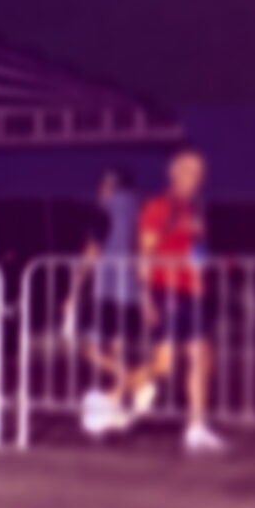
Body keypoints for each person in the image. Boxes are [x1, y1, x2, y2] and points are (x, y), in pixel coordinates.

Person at [139, 145, 227, 454]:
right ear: (174, 172)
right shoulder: (159, 206)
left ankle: (196, 427)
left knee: (203, 357)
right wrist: (146, 298)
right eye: (190, 170)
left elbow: (195, 252)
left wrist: (204, 270)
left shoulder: (193, 210)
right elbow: (145, 254)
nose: (197, 177)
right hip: (168, 290)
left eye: (200, 172)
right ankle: (112, 397)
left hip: (193, 292)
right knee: (165, 366)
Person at [66, 168, 155, 437]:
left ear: (108, 186)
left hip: (107, 292)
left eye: (101, 185)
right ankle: (117, 403)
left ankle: (136, 383)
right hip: (133, 294)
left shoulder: (102, 210)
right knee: (117, 349)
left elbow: (92, 252)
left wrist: (74, 290)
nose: (99, 190)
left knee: (85, 347)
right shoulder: (140, 211)